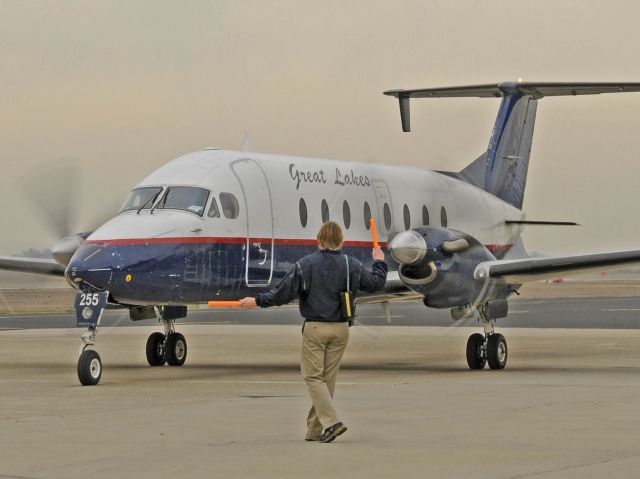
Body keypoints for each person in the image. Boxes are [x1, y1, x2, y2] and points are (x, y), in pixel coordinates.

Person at [239, 221, 387, 443]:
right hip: (341, 330)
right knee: (326, 380)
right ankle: (315, 430)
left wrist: (257, 301)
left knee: (312, 377)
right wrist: (379, 262)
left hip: (315, 329)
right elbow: (376, 283)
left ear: (318, 240)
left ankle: (333, 422)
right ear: (341, 241)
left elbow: (282, 294)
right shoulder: (351, 264)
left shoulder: (305, 265)